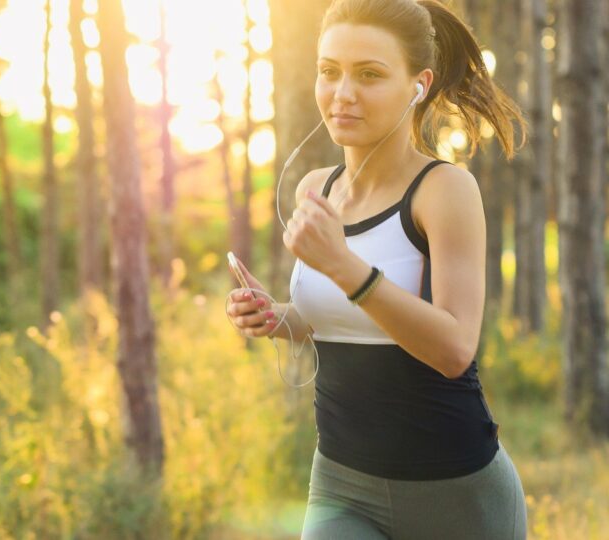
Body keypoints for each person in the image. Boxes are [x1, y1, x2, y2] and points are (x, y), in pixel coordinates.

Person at [226, 0, 529, 537]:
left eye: (369, 75)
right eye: (329, 72)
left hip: (455, 492)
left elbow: (454, 349)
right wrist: (277, 317)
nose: (342, 94)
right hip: (342, 485)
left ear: (419, 84)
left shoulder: (443, 191)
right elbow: (341, 319)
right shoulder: (314, 189)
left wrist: (344, 266)